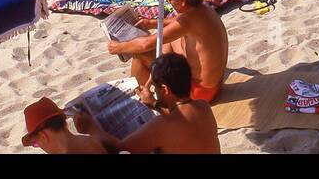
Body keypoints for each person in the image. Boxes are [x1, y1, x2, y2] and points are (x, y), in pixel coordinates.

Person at [108, 0, 227, 104]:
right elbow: (176, 21)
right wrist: (152, 23)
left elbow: (146, 45)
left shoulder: (188, 19)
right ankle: (142, 87)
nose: (169, 3)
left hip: (199, 92)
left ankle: (136, 97)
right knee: (169, 41)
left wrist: (119, 47)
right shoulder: (202, 9)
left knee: (140, 52)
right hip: (215, 85)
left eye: (169, 0)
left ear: (182, 1)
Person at [73, 53, 220, 154]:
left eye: (154, 86)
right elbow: (180, 121)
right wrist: (154, 104)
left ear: (165, 89)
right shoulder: (203, 107)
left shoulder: (161, 125)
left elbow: (119, 148)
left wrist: (91, 128)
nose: (151, 88)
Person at [20, 97, 106, 154]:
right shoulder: (94, 141)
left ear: (43, 137)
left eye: (36, 144)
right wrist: (93, 129)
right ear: (65, 124)